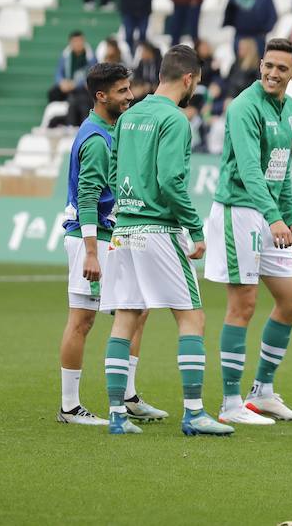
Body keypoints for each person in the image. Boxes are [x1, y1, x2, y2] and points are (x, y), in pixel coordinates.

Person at [100, 45, 232, 436]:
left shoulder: (129, 115)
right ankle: (194, 413)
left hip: (124, 229)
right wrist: (195, 228)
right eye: (196, 83)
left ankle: (116, 415)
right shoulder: (174, 119)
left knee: (125, 318)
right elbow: (171, 181)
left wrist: (130, 202)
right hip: (157, 230)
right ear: (189, 79)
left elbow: (113, 170)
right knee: (191, 317)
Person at [202, 39, 292, 426]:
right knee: (243, 305)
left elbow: (281, 170)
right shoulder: (244, 107)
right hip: (239, 211)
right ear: (260, 64)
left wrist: (291, 217)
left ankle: (261, 392)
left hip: (269, 212)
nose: (273, 73)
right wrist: (274, 217)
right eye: (268, 65)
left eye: (282, 68)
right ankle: (231, 403)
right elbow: (249, 170)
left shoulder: (291, 109)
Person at [57, 62, 166, 426]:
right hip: (90, 239)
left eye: (128, 88)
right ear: (101, 96)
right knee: (82, 321)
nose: (130, 96)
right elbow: (87, 198)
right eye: (122, 91)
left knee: (137, 309)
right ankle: (69, 407)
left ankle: (129, 396)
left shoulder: (110, 131)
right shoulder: (96, 141)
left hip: (109, 237)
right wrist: (91, 252)